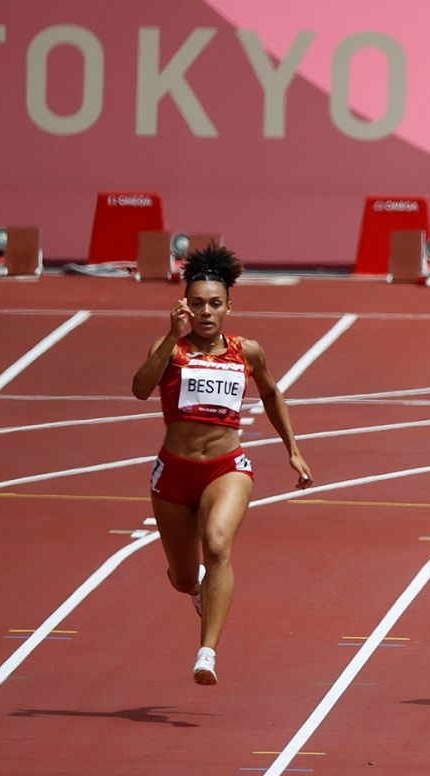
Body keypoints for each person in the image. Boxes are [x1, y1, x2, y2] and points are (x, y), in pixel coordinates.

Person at [130, 244, 312, 685]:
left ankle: (206, 652)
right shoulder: (170, 349)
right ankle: (195, 589)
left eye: (214, 304)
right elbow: (139, 388)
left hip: (226, 468)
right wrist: (169, 337)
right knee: (181, 576)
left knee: (216, 545)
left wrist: (292, 447)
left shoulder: (246, 351)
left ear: (229, 306)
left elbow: (270, 393)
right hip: (174, 473)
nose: (205, 312)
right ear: (184, 307)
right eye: (197, 304)